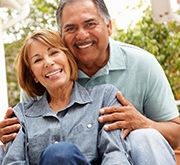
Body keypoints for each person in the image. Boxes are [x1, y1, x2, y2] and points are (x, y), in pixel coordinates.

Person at [0, 0, 179, 164]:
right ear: (61, 36)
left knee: (143, 136)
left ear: (109, 26)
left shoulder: (140, 65)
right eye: (71, 28)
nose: (82, 35)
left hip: (127, 157)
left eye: (90, 24)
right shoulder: (49, 77)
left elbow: (175, 133)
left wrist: (144, 123)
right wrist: (11, 136)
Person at [0, 29, 132, 165]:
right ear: (34, 75)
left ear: (68, 58)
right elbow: (13, 162)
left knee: (60, 153)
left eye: (54, 52)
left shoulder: (105, 97)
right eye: (38, 60)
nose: (48, 62)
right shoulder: (21, 116)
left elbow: (115, 153)